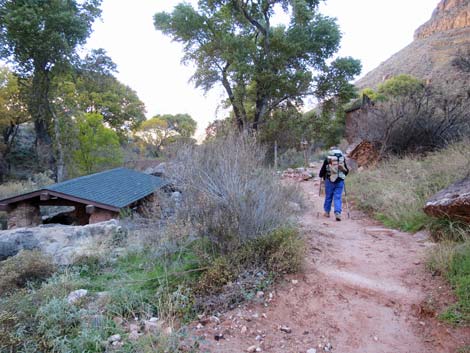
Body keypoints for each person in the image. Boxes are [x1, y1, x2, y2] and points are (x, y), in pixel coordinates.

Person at [319, 147, 349, 221]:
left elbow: (322, 170)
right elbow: (346, 171)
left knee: (328, 196)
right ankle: (337, 213)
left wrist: (321, 175)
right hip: (340, 180)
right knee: (337, 197)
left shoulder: (328, 159)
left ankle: (327, 212)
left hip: (329, 180)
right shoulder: (342, 158)